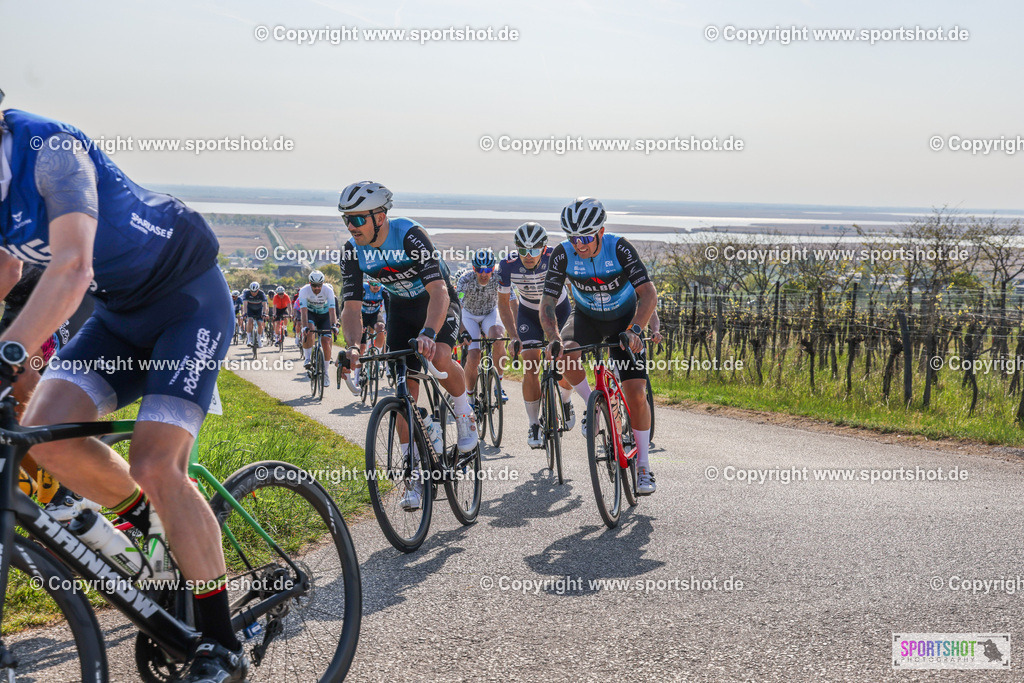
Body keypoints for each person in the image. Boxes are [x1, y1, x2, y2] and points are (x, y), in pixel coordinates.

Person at [0, 101, 244, 679]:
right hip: (119, 316)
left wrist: (7, 356)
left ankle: (221, 643)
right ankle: (153, 530)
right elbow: (5, 273)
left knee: (157, 464)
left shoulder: (51, 152)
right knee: (43, 438)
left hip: (188, 301)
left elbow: (73, 269)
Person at [337, 181, 477, 510]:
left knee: (441, 356)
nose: (350, 226)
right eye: (346, 219)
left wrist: (430, 331)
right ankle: (412, 480)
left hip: (436, 303)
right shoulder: (351, 252)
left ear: (380, 217)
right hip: (400, 311)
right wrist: (355, 348)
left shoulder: (410, 235)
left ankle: (464, 413)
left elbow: (440, 292)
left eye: (357, 219)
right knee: (403, 394)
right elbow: (352, 309)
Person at [540, 197, 658, 495]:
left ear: (600, 232)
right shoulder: (562, 254)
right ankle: (593, 404)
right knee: (564, 353)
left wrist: (635, 330)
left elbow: (648, 293)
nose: (579, 244)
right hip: (587, 317)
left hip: (624, 321)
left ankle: (643, 464)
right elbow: (548, 302)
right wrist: (553, 337)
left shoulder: (619, 247)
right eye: (573, 238)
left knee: (635, 392)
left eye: (585, 238)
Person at [497, 222, 575, 448]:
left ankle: (566, 399)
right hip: (528, 312)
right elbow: (503, 304)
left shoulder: (556, 257)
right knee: (530, 364)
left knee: (565, 358)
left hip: (558, 309)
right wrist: (513, 336)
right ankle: (533, 424)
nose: (528, 256)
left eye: (534, 250)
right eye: (523, 250)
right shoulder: (507, 266)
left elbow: (574, 289)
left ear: (544, 247)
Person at [457, 249, 507, 404]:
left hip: (490, 313)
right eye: (479, 270)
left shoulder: (499, 277)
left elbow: (510, 301)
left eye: (488, 270)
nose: (484, 274)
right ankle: (470, 398)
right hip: (469, 315)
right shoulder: (465, 279)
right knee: (474, 356)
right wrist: (462, 331)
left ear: (493, 268)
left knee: (499, 339)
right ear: (474, 269)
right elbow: (458, 304)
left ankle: (498, 385)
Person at [297, 270, 337, 380]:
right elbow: (304, 311)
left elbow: (332, 310)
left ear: (323, 283)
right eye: (314, 286)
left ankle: (326, 372)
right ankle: (308, 359)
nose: (317, 288)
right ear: (310, 283)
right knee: (309, 330)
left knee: (326, 341)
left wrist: (334, 325)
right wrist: (304, 327)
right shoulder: (304, 291)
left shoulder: (328, 290)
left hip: (324, 316)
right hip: (311, 314)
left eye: (319, 285)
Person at [240, 281, 267, 346]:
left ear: (258, 290)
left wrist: (264, 313)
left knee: (260, 324)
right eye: (252, 291)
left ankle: (259, 339)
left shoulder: (261, 293)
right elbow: (245, 304)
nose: (253, 293)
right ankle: (249, 339)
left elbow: (264, 305)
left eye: (255, 291)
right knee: (249, 321)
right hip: (250, 309)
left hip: (259, 309)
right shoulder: (246, 293)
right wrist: (245, 313)